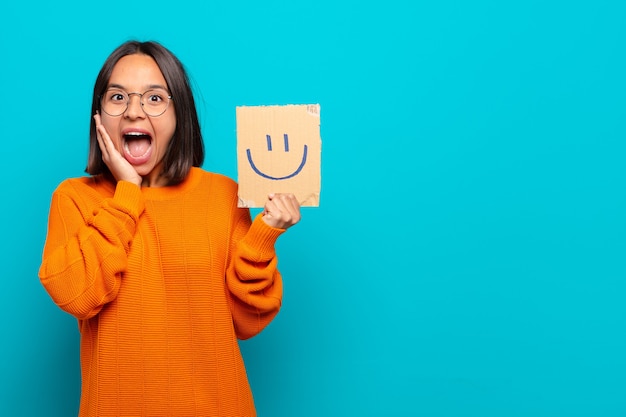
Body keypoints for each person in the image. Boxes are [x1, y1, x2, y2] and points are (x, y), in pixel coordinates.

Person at [38, 40, 301, 417]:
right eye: (117, 97)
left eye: (154, 98)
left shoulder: (223, 196)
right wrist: (127, 193)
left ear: (181, 115)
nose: (133, 112)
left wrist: (264, 235)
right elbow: (78, 295)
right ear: (98, 115)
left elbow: (247, 320)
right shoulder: (75, 198)